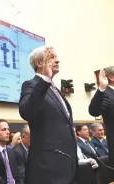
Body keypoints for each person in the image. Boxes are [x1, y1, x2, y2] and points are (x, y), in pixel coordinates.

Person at [19, 46, 77, 184]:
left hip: (68, 163)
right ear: (39, 63)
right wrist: (44, 80)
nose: (57, 61)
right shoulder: (31, 85)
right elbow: (26, 112)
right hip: (49, 167)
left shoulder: (56, 89)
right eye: (52, 57)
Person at [0, 119, 23, 184]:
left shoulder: (11, 152)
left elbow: (17, 175)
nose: (8, 132)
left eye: (8, 129)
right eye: (4, 129)